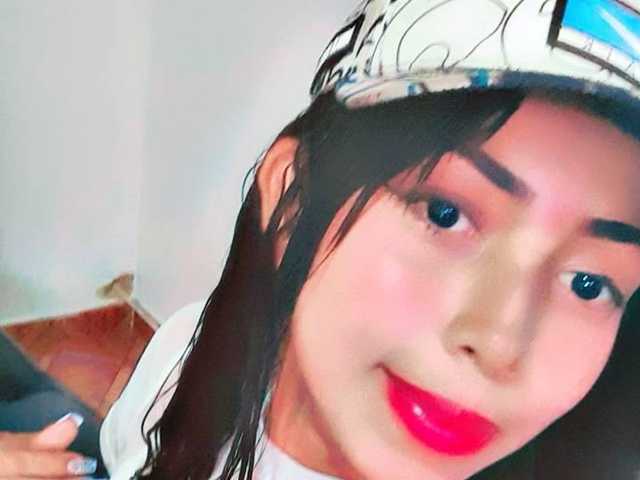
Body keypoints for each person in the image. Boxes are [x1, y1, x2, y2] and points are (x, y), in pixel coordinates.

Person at [96, 1, 639, 479]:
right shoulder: (183, 358)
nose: (500, 344)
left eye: (589, 284)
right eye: (445, 214)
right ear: (293, 195)